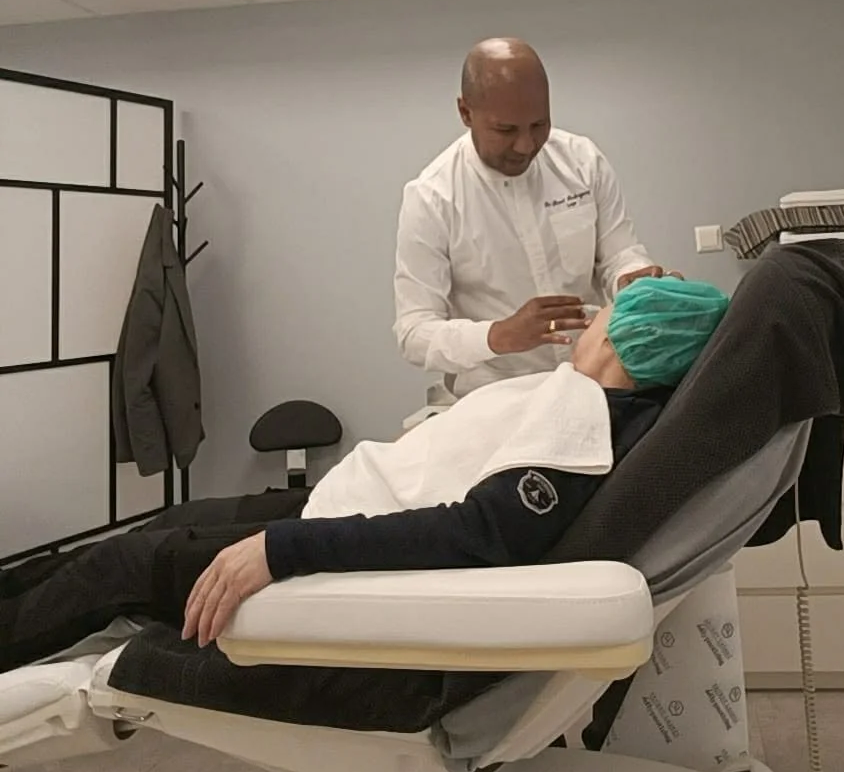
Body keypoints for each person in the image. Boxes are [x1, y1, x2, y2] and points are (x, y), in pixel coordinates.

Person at [1, 278, 727, 672]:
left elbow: (480, 530)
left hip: (331, 535)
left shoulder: (586, 422)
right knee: (159, 525)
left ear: (637, 336)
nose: (594, 317)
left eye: (610, 314)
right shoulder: (585, 401)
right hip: (341, 498)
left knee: (127, 563)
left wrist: (280, 550)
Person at [394, 38, 679, 397]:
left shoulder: (582, 161)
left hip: (595, 385)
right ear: (466, 113)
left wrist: (632, 278)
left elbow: (620, 254)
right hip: (500, 395)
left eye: (539, 125)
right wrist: (498, 335)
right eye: (506, 130)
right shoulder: (432, 198)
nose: (526, 146)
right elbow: (414, 332)